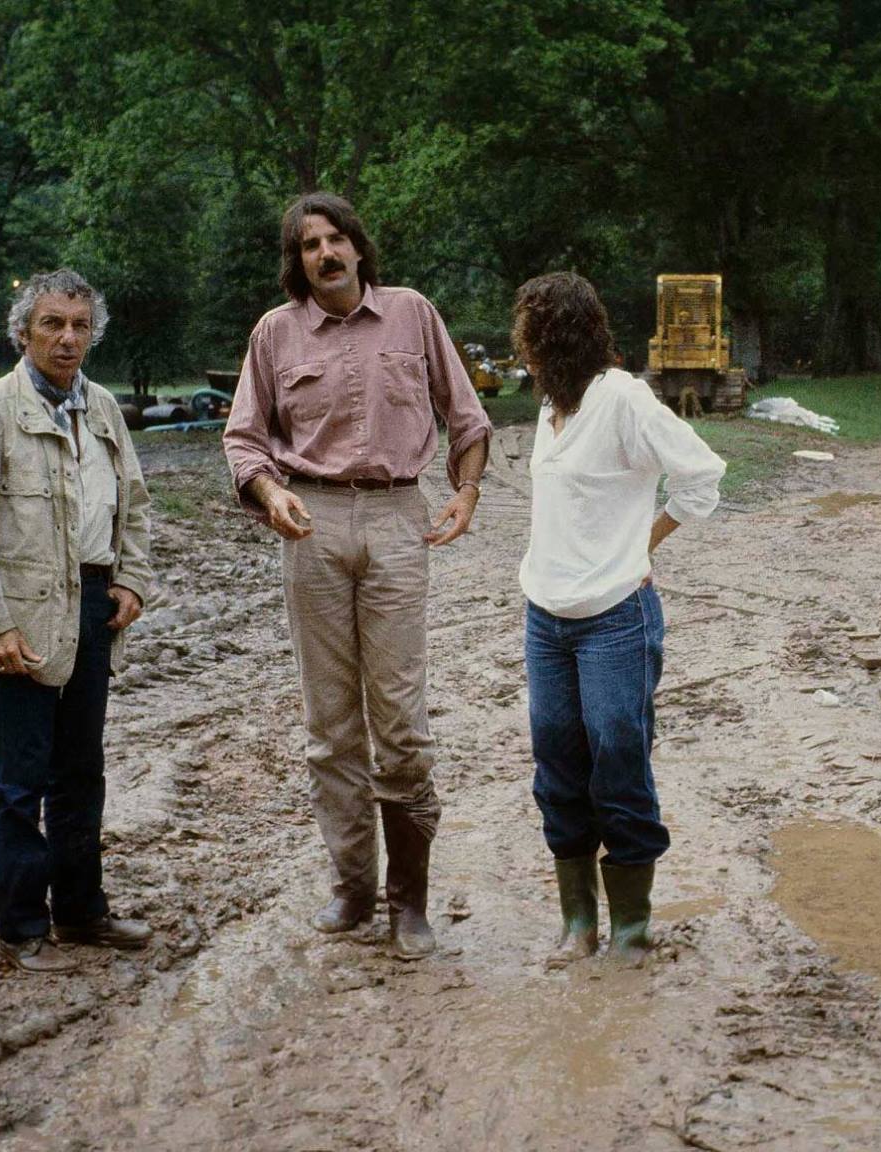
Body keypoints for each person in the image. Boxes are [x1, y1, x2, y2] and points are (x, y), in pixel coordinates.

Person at [223, 192, 492, 960]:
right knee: (330, 726)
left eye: (336, 239)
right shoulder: (275, 334)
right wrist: (272, 493)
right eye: (309, 244)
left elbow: (467, 418)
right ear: (296, 260)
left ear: (359, 248)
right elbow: (244, 438)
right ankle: (351, 887)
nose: (325, 253)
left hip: (397, 519)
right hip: (309, 523)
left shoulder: (412, 313)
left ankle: (410, 903)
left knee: (400, 722)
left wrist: (467, 490)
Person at [0, 269, 158, 973]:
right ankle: (23, 927)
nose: (67, 338)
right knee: (19, 780)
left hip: (95, 607)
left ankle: (82, 913)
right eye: (52, 324)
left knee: (81, 771)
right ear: (24, 331)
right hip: (24, 617)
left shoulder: (103, 410)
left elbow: (138, 503)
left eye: (80, 326)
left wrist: (130, 580)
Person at [513, 272, 724, 967]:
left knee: (618, 758)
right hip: (546, 617)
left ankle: (631, 928)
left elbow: (700, 475)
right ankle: (579, 923)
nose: (524, 349)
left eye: (531, 334)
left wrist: (644, 542)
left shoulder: (622, 398)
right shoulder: (550, 412)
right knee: (557, 764)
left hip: (615, 618)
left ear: (560, 336)